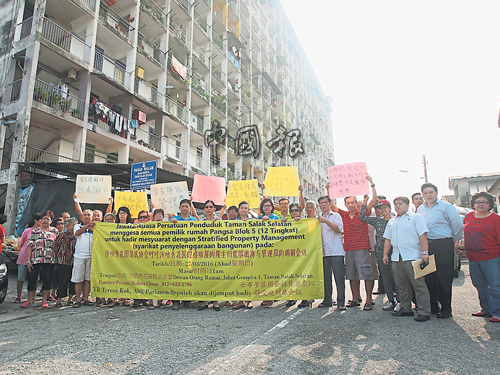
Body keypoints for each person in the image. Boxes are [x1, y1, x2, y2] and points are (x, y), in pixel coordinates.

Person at [417, 183, 464, 318]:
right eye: (425, 193)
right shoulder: (420, 209)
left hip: (443, 244)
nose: (428, 195)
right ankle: (433, 307)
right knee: (429, 277)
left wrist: (452, 241)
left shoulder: (446, 207)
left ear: (436, 193)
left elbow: (458, 226)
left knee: (444, 278)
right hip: (427, 246)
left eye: (431, 192)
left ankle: (446, 309)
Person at [383, 196, 431, 322]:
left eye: (400, 203)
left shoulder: (416, 217)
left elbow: (423, 235)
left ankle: (424, 311)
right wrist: (385, 254)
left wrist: (425, 252)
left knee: (419, 285)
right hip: (396, 258)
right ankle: (405, 308)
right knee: (401, 285)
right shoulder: (392, 221)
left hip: (413, 257)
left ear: (407, 205)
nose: (398, 206)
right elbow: (388, 239)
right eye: (396, 204)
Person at [359, 176, 399, 311]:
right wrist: (364, 203)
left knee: (398, 278)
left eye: (385, 208)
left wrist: (372, 184)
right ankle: (391, 301)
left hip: (396, 251)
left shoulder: (396, 220)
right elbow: (362, 217)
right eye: (380, 208)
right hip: (381, 252)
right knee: (386, 277)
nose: (382, 210)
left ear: (389, 208)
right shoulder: (377, 221)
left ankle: (401, 301)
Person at [329, 190, 374, 310]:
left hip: (362, 248)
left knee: (366, 274)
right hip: (348, 249)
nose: (350, 205)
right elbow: (332, 206)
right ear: (345, 205)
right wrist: (329, 189)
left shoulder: (363, 214)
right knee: (351, 274)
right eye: (348, 203)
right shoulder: (344, 215)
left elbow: (373, 201)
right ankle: (355, 298)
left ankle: (368, 300)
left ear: (355, 203)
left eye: (352, 202)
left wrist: (372, 185)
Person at [463, 192, 500, 323]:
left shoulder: (496, 219)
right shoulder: (469, 216)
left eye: (484, 202)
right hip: (473, 257)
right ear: (473, 204)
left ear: (490, 204)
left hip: (491, 257)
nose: (481, 204)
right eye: (478, 202)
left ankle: (497, 312)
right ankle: (486, 309)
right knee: (479, 285)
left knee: (495, 285)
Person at [21, 210, 59, 309]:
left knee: (47, 279)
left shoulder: (55, 231)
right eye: (44, 219)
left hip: (49, 259)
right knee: (32, 278)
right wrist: (28, 260)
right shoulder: (35, 231)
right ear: (41, 220)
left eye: (48, 219)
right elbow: (30, 245)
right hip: (36, 259)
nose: (45, 220)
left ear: (51, 220)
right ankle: (29, 300)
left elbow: (57, 246)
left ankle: (44, 300)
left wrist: (57, 260)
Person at [317, 195, 345, 310]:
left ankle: (341, 302)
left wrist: (326, 221)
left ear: (329, 204)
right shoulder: (317, 219)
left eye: (325, 202)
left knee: (339, 278)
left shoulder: (336, 216)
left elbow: (338, 229)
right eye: (321, 203)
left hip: (336, 252)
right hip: (323, 253)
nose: (323, 205)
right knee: (325, 278)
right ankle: (327, 300)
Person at [170, 199, 197, 310]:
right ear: (179, 208)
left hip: (189, 251)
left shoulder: (194, 220)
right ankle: (175, 301)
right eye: (183, 206)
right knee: (176, 275)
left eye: (187, 206)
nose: (185, 208)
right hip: (177, 251)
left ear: (190, 208)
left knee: (188, 275)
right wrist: (172, 222)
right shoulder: (174, 219)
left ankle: (187, 300)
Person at [15, 214, 41, 303]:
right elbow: (21, 243)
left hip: (36, 258)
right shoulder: (27, 231)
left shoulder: (42, 232)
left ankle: (32, 296)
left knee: (35, 278)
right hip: (23, 257)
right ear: (36, 221)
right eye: (40, 220)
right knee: (20, 277)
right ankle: (19, 296)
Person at [72, 209, 95, 308]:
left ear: (92, 216)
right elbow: (77, 233)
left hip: (91, 257)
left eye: (88, 215)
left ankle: (86, 298)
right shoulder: (78, 226)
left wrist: (93, 228)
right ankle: (78, 299)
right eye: (84, 215)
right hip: (79, 256)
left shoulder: (95, 227)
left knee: (88, 279)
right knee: (78, 279)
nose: (86, 216)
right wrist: (87, 226)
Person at [54, 218, 78, 308]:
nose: (72, 227)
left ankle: (70, 299)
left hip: (75, 261)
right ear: (66, 227)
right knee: (62, 281)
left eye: (74, 226)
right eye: (70, 226)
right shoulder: (62, 236)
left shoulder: (78, 236)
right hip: (63, 261)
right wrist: (57, 258)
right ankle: (59, 299)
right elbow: (56, 247)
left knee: (73, 281)